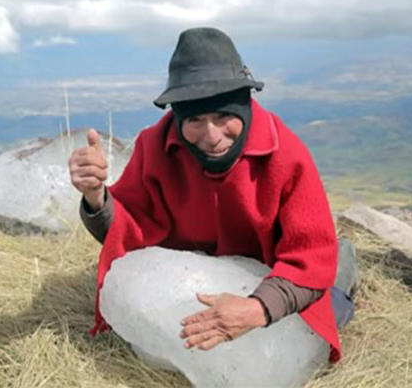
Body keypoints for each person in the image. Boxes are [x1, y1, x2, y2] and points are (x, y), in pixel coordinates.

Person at [69, 27, 357, 363]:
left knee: (334, 300)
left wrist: (258, 308)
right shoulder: (154, 147)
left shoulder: (286, 155)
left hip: (270, 275)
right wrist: (95, 196)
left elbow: (311, 259)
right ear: (177, 116)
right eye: (195, 119)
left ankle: (348, 265)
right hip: (200, 276)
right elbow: (127, 232)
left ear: (246, 106)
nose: (212, 135)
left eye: (223, 116)